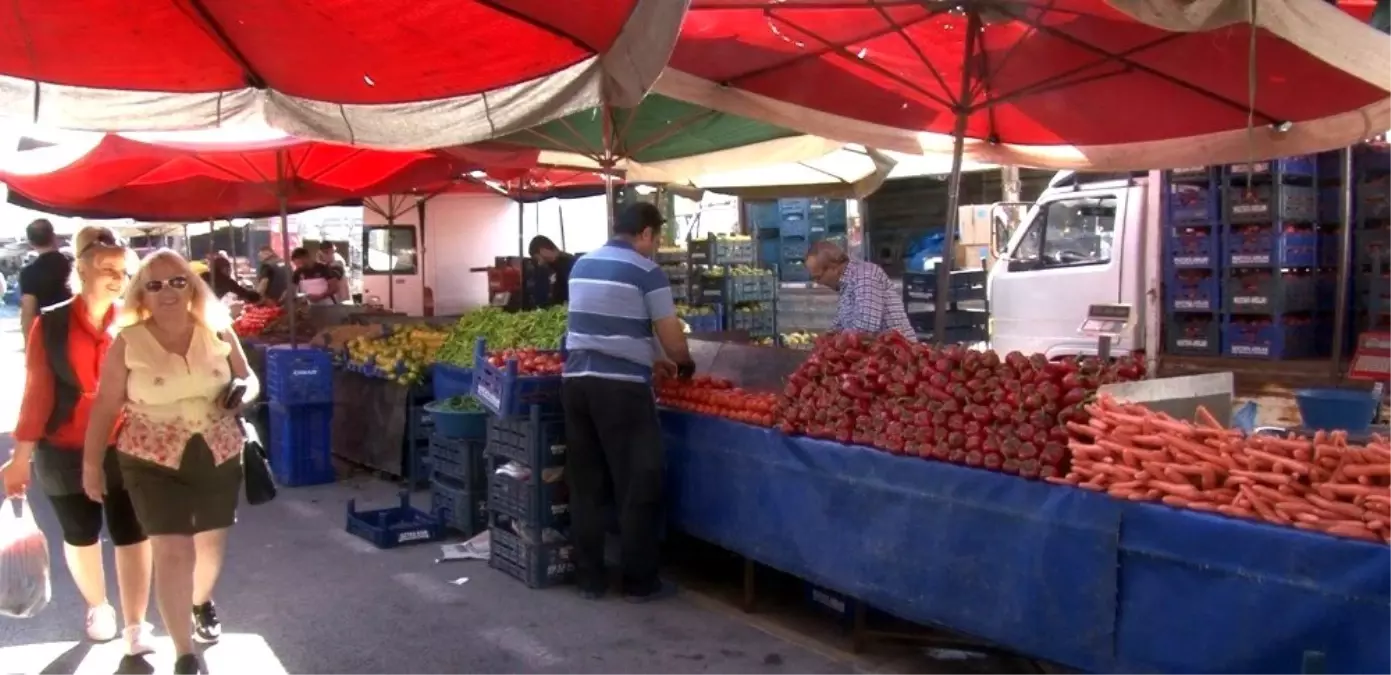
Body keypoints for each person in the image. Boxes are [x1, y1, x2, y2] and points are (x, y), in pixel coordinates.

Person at [82, 249, 257, 675]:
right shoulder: (128, 340)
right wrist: (89, 466)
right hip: (150, 457)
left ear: (193, 287)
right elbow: (105, 405)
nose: (168, 292)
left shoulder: (217, 330)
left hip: (217, 450)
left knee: (210, 545)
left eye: (178, 281)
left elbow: (249, 377)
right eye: (155, 284)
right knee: (172, 549)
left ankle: (199, 602)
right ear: (141, 292)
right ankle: (184, 653)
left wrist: (242, 393)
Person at [1, 226, 154, 654]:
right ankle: (99, 607)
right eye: (105, 268)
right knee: (81, 533)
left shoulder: (133, 320)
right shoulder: (50, 324)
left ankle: (137, 623)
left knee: (133, 532)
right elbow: (37, 396)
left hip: (125, 443)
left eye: (121, 271)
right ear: (81, 270)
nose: (115, 277)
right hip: (63, 446)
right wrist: (19, 458)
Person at [562, 202, 695, 602]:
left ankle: (590, 579)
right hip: (621, 389)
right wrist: (682, 362)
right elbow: (670, 332)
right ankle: (639, 582)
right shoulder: (646, 270)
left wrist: (647, 355)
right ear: (645, 233)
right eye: (655, 237)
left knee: (586, 484)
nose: (655, 245)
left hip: (576, 383)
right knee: (639, 481)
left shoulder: (581, 264)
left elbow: (602, 325)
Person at [805, 240, 917, 340]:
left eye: (818, 277)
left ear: (834, 268)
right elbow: (839, 325)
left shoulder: (864, 276)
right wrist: (824, 338)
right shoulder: (846, 284)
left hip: (897, 355)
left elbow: (865, 330)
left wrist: (835, 340)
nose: (818, 283)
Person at [19, 218, 74, 342]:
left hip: (48, 335)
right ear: (54, 237)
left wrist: (29, 346)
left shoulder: (29, 272)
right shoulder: (74, 264)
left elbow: (28, 312)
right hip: (78, 330)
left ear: (31, 243)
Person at [528, 235, 576, 306]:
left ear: (542, 250)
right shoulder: (547, 268)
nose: (539, 262)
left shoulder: (570, 263)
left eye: (537, 258)